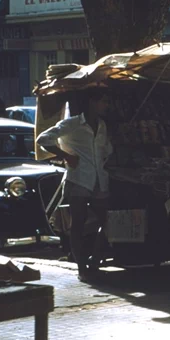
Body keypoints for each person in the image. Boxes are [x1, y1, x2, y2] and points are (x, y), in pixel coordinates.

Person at [37, 87, 113, 281]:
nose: (106, 105)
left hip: (99, 181)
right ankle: (82, 268)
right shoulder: (72, 124)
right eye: (103, 101)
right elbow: (43, 139)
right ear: (92, 103)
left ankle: (94, 261)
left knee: (108, 224)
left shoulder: (103, 125)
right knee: (78, 224)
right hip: (78, 180)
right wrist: (65, 156)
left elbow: (107, 151)